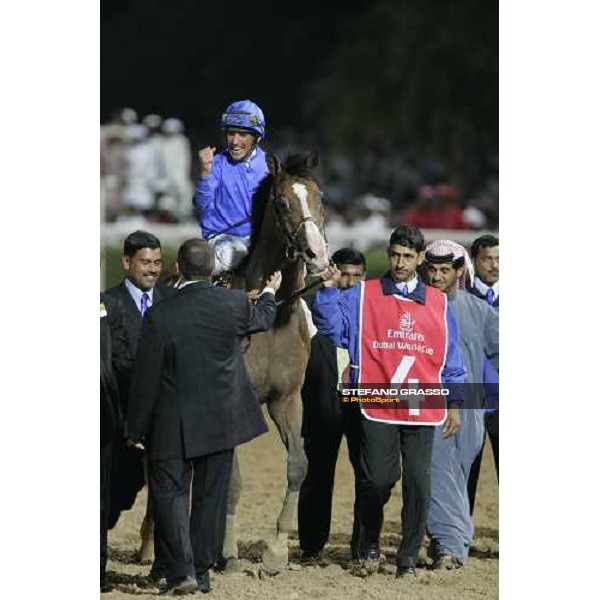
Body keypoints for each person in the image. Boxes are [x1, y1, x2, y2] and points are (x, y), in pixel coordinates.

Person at [125, 239, 282, 595]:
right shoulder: (233, 303)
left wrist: (136, 427)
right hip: (220, 421)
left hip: (170, 422)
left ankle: (180, 572)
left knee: (170, 497)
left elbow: (146, 377)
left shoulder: (159, 313)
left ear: (178, 269)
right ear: (211, 270)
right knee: (211, 498)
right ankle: (202, 570)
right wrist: (271, 291)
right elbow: (263, 318)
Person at [312, 224, 466, 579]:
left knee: (419, 484)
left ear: (420, 258)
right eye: (394, 255)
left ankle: (407, 557)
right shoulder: (363, 294)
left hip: (422, 403)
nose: (399, 262)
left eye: (407, 256)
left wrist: (455, 404)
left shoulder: (440, 303)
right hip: (376, 400)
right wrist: (327, 291)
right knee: (378, 479)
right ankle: (368, 544)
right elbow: (334, 329)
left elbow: (450, 358)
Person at [423, 240, 499, 569]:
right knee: (440, 472)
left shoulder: (480, 311)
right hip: (427, 403)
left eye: (444, 270)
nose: (437, 276)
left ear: (458, 271)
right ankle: (449, 547)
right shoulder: (414, 308)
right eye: (432, 269)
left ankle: (452, 541)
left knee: (457, 475)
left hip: (472, 408)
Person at [298, 248, 367, 563]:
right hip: (322, 403)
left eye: (357, 275)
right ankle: (311, 546)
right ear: (333, 272)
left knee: (369, 474)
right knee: (317, 474)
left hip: (365, 401)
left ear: (364, 276)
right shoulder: (311, 310)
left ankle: (364, 546)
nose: (350, 281)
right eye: (344, 274)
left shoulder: (374, 310)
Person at [103, 231, 173, 529]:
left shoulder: (172, 301)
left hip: (165, 417)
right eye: (145, 262)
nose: (153, 269)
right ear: (126, 262)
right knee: (122, 492)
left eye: (157, 262)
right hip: (123, 420)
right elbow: (114, 362)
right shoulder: (107, 304)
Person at [192, 99, 269, 278]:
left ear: (256, 137)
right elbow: (201, 206)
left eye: (242, 134)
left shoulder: (270, 166)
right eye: (231, 133)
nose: (235, 141)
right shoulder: (215, 164)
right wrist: (204, 172)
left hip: (259, 242)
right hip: (222, 240)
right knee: (228, 254)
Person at [100, 293, 132, 592]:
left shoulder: (109, 307)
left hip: (102, 418)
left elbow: (121, 360)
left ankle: (97, 570)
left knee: (99, 496)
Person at [466, 234, 500, 511]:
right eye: (488, 259)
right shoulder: (460, 299)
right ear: (474, 261)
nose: (495, 265)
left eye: (499, 259)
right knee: (464, 475)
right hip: (469, 397)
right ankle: (454, 540)